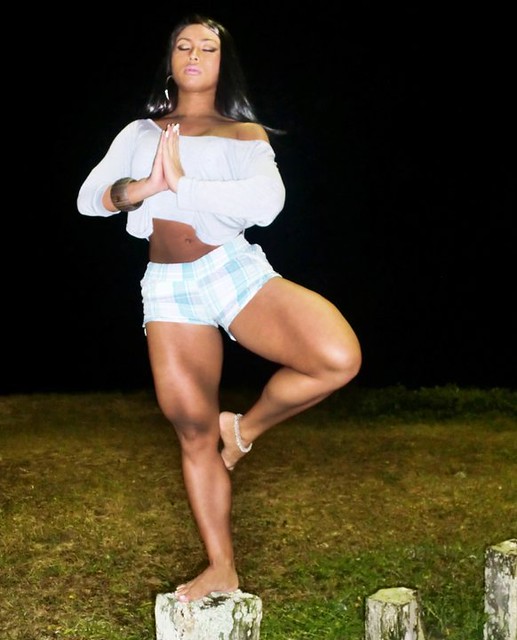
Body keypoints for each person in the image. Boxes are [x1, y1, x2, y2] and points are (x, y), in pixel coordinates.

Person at [77, 13, 362, 603]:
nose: (193, 54)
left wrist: (182, 184)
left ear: (222, 64)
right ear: (170, 61)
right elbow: (89, 199)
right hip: (168, 287)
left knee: (337, 358)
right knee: (190, 427)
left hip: (231, 270)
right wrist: (147, 187)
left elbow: (268, 203)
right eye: (183, 45)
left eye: (207, 47)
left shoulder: (242, 133)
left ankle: (245, 428)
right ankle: (221, 566)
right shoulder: (141, 132)